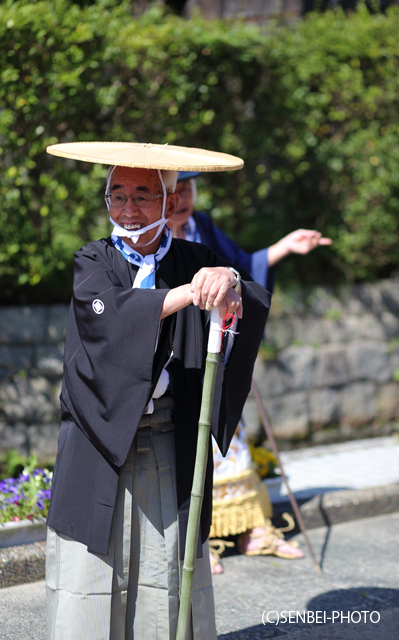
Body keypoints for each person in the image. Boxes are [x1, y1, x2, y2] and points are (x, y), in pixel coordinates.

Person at [44, 142, 270, 640]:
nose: (128, 209)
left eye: (142, 196)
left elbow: (246, 298)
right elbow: (111, 318)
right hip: (98, 442)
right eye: (116, 195)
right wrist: (189, 293)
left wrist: (228, 280)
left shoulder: (196, 257)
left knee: (169, 570)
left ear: (169, 202)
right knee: (94, 571)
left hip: (172, 437)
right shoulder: (93, 260)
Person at [168, 171, 332, 574]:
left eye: (189, 188)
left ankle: (250, 528)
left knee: (231, 435)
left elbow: (241, 266)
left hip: (220, 341)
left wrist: (284, 246)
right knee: (190, 442)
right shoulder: (154, 240)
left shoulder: (202, 225)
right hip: (180, 352)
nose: (183, 197)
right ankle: (199, 539)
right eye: (175, 189)